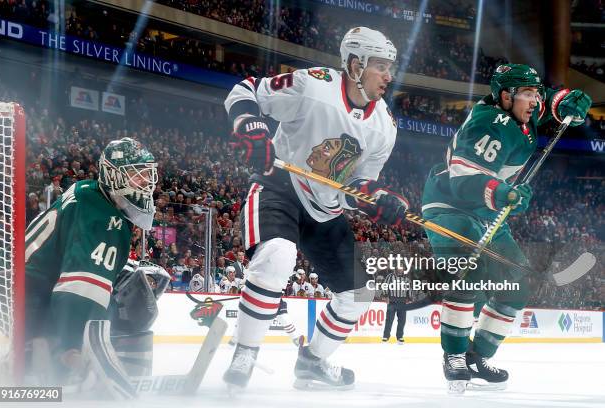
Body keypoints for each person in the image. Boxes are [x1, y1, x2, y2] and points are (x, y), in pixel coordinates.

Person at [223, 26, 409, 390]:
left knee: (358, 296)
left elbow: (357, 185)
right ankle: (245, 350)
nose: (389, 75)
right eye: (381, 66)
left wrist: (377, 201)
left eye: (391, 67)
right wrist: (252, 127)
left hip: (326, 209)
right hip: (281, 186)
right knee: (277, 255)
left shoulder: (385, 126)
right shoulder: (313, 85)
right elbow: (244, 90)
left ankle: (313, 362)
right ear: (355, 64)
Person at [421, 64, 591, 393]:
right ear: (505, 96)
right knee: (467, 272)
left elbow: (550, 103)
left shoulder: (518, 112)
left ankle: (477, 356)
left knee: (519, 285)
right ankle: (453, 355)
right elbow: (462, 183)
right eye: (528, 94)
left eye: (535, 93)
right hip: (450, 206)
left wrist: (566, 100)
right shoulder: (489, 123)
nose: (535, 100)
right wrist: (502, 192)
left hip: (486, 212)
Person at [24, 137, 158, 395]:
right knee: (112, 303)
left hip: (20, 290)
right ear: (112, 175)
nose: (145, 182)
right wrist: (72, 348)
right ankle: (53, 359)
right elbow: (80, 286)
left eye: (146, 174)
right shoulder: (105, 216)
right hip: (27, 300)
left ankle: (38, 353)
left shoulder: (87, 191)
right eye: (135, 175)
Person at [381, 268, 410, 344]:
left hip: (402, 303)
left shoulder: (406, 278)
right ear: (396, 269)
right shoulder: (390, 276)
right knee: (389, 320)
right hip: (392, 302)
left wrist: (409, 298)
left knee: (402, 321)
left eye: (402, 268)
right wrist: (385, 295)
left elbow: (409, 288)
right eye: (399, 268)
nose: (400, 270)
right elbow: (385, 285)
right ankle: (386, 336)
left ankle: (400, 337)